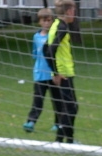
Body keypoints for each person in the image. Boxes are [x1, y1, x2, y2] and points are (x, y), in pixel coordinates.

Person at [44, 0, 77, 143]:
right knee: (71, 108)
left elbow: (45, 48)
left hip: (64, 72)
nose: (74, 14)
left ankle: (68, 141)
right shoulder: (61, 28)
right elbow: (49, 51)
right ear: (68, 11)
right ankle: (60, 140)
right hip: (63, 73)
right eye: (74, 11)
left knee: (71, 107)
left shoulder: (56, 25)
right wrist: (56, 73)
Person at [22, 8, 55, 133]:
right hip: (40, 74)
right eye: (44, 20)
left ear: (52, 21)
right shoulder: (36, 36)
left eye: (49, 20)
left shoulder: (54, 36)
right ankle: (31, 122)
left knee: (57, 100)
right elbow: (35, 54)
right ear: (39, 22)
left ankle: (58, 123)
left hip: (53, 74)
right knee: (38, 100)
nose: (46, 23)